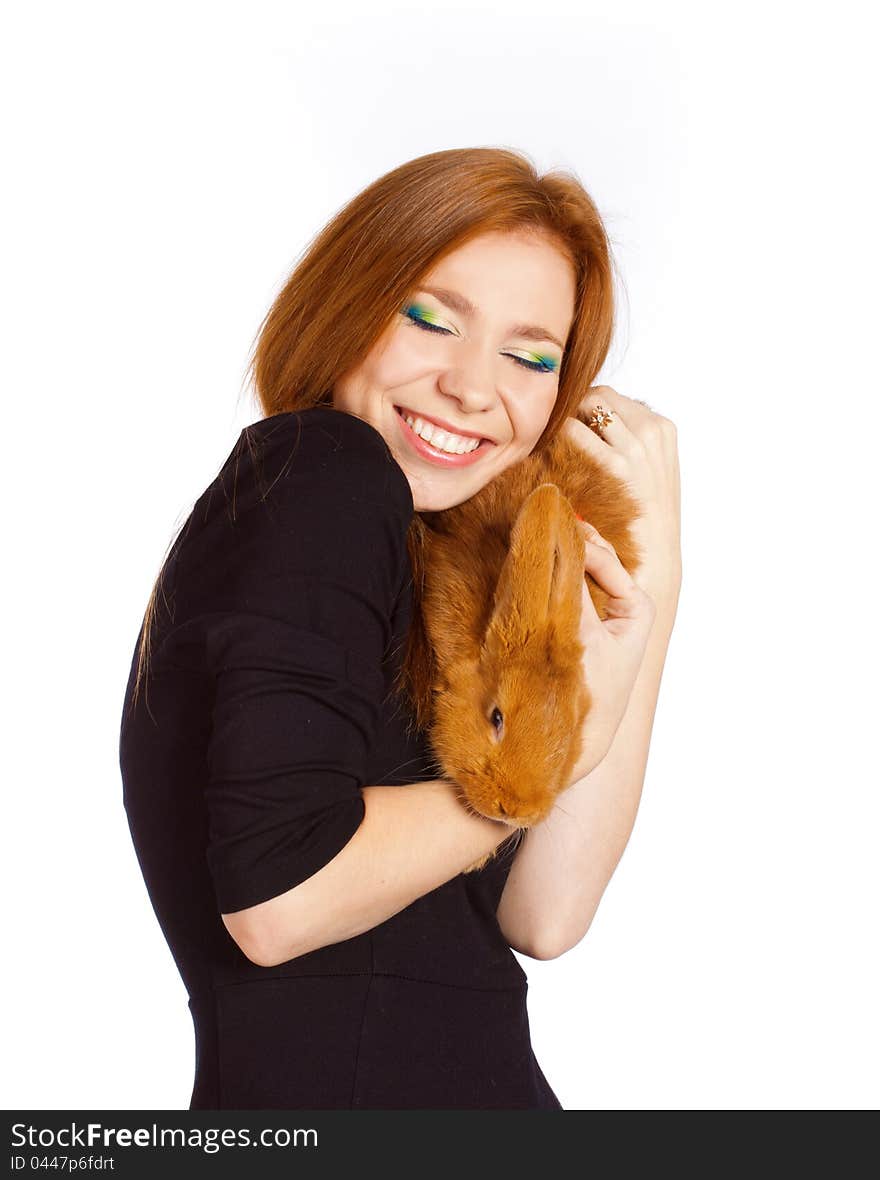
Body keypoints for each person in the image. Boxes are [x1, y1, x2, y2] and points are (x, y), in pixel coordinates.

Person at [118, 146, 680, 1110]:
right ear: (346, 307)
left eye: (529, 355)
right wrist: (550, 756)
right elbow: (279, 902)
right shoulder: (323, 469)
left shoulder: (427, 558)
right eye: (432, 319)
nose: (473, 386)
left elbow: (544, 915)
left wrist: (652, 589)